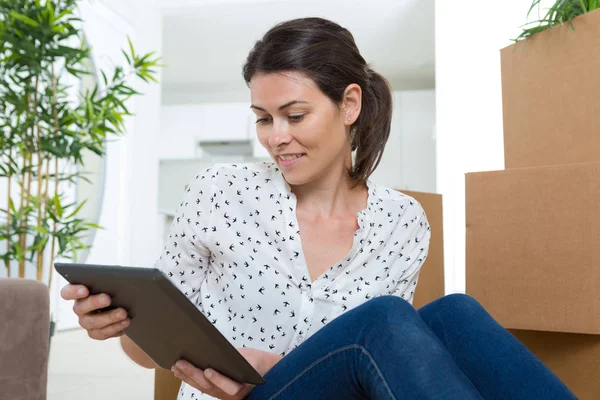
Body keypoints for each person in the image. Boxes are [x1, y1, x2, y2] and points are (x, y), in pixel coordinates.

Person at [61, 17, 576, 400]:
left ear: (349, 105)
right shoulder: (221, 192)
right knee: (386, 319)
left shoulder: (401, 221)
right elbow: (149, 348)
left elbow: (384, 366)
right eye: (263, 118)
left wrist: (279, 362)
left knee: (453, 314)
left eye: (295, 114)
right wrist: (121, 324)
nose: (275, 137)